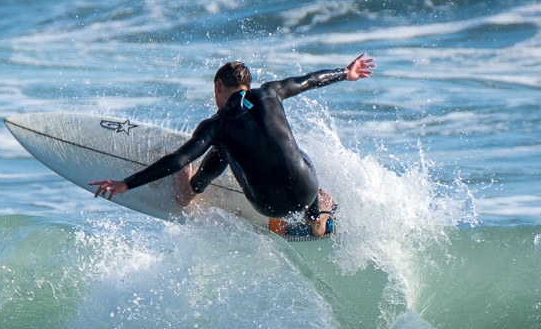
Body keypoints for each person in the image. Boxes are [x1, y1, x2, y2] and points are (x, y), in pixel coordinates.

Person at [88, 53, 375, 237]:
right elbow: (310, 80)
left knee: (223, 148)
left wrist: (126, 183)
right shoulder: (272, 92)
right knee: (298, 155)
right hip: (305, 189)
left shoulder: (217, 124)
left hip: (267, 206)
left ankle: (188, 193)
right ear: (248, 85)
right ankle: (318, 219)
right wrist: (345, 72)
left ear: (218, 87)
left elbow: (178, 159)